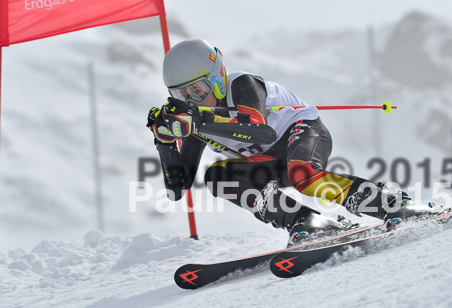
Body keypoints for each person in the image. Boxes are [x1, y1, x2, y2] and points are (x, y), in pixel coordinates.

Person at [147, 39, 418, 246]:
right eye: (182, 95)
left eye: (198, 90)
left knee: (302, 175)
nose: (192, 100)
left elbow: (260, 131)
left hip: (301, 132)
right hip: (269, 160)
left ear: (217, 77)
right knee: (217, 176)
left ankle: (387, 202)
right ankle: (307, 221)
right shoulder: (195, 119)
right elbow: (177, 188)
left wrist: (197, 120)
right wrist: (164, 141)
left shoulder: (242, 85)